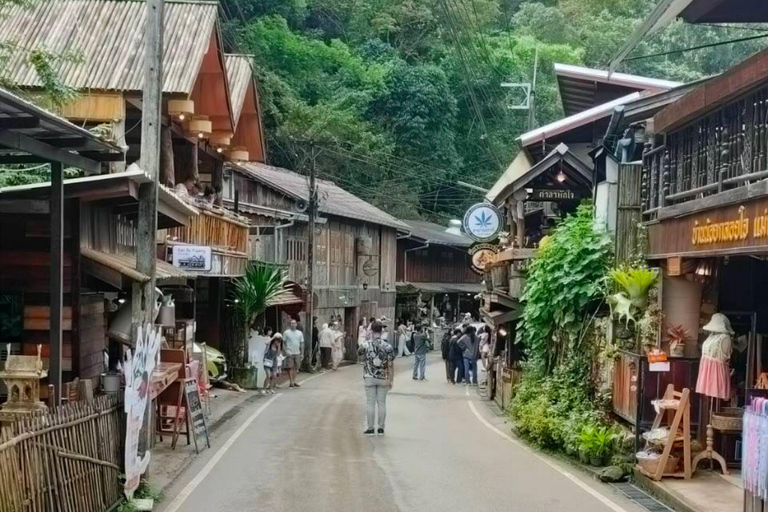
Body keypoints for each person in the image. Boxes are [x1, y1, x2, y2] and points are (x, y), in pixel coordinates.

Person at [357, 321, 395, 436]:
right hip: (383, 377)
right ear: (382, 330)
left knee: (370, 403)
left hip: (369, 376)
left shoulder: (366, 344)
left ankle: (370, 428)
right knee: (382, 403)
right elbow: (391, 364)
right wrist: (391, 379)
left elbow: (359, 353)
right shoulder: (388, 346)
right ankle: (381, 428)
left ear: (372, 331)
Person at [282, 319, 305, 388]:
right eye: (292, 323)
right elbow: (283, 343)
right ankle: (291, 381)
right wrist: (285, 351)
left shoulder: (299, 333)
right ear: (290, 324)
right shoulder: (286, 332)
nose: (293, 324)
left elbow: (302, 343)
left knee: (296, 367)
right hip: (290, 352)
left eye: (294, 323)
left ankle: (294, 381)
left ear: (296, 324)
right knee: (290, 367)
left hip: (297, 352)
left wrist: (302, 353)